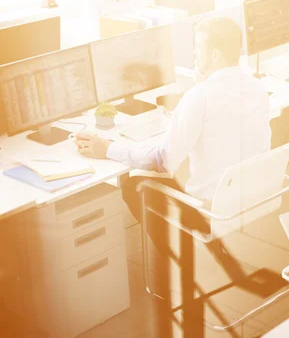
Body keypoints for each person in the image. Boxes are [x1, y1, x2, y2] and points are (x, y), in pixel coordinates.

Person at [74, 16, 271, 259]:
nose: (194, 53)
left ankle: (184, 265)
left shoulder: (200, 97)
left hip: (210, 211)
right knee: (185, 164)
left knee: (134, 184)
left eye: (199, 47)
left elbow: (162, 160)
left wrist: (108, 149)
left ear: (216, 55)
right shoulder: (257, 88)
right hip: (248, 200)